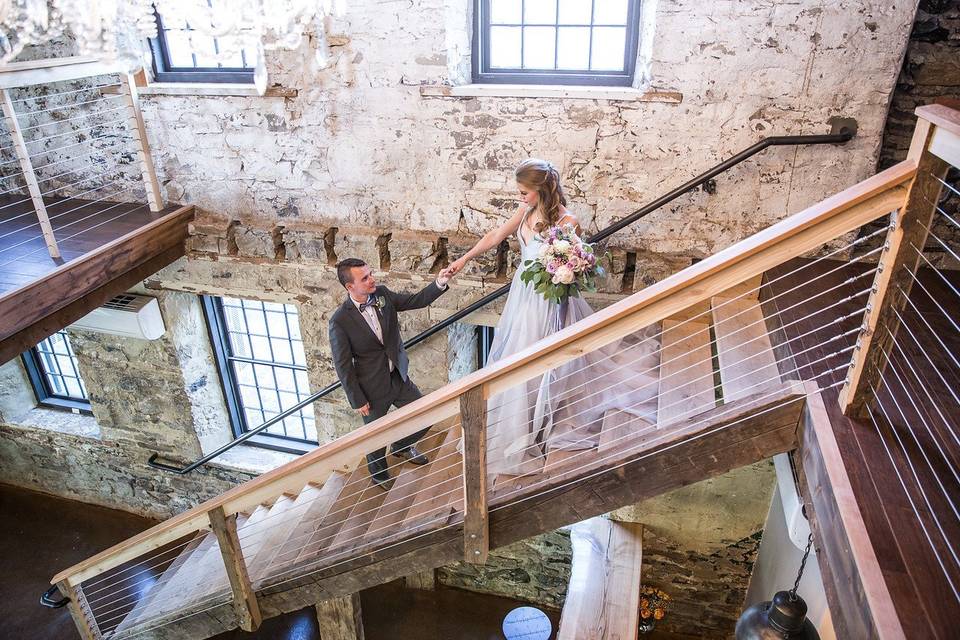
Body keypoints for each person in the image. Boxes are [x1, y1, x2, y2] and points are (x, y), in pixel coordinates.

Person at [441, 158, 660, 476]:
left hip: (550, 300)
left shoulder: (568, 221)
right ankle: (521, 419)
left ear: (541, 190)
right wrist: (462, 260)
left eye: (523, 192)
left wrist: (566, 271)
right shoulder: (525, 212)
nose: (519, 197)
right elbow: (495, 236)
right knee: (517, 353)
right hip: (525, 296)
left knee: (540, 355)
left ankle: (541, 422)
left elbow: (571, 261)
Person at [329, 258, 452, 490]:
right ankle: (378, 474)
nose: (371, 279)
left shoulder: (383, 295)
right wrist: (357, 399)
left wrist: (440, 282)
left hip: (398, 375)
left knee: (426, 415)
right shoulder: (339, 321)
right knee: (375, 438)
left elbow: (416, 300)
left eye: (370, 274)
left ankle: (401, 447)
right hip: (371, 388)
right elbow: (342, 365)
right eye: (364, 278)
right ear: (349, 287)